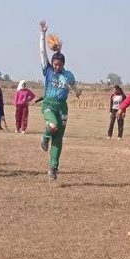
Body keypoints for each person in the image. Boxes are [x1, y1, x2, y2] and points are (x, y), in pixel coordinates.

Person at [38, 20, 81, 180]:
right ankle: (45, 137)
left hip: (62, 107)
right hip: (49, 104)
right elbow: (42, 53)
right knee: (53, 125)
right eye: (55, 64)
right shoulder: (48, 71)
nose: (57, 67)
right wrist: (42, 34)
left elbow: (74, 86)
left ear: (63, 64)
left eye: (60, 65)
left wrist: (78, 92)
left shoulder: (68, 75)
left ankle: (53, 168)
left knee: (58, 138)